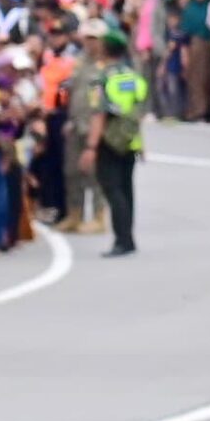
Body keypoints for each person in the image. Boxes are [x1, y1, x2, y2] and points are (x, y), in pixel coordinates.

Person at [85, 25, 149, 255]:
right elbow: (137, 111)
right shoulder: (132, 77)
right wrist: (141, 142)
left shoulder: (103, 79)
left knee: (113, 190)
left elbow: (98, 114)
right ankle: (128, 238)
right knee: (126, 189)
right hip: (129, 139)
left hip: (109, 140)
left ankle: (121, 240)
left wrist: (91, 147)